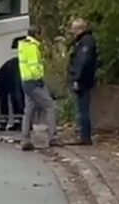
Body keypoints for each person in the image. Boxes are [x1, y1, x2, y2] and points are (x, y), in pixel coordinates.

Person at [17, 23, 59, 151]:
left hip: (25, 81)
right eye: (40, 34)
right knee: (50, 106)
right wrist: (39, 79)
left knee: (29, 110)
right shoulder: (32, 47)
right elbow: (34, 66)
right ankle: (53, 137)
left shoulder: (23, 45)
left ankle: (25, 139)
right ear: (36, 34)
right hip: (35, 82)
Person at [68, 18, 99, 145]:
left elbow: (82, 62)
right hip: (83, 80)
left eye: (74, 29)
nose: (72, 32)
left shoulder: (86, 42)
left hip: (83, 81)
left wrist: (77, 79)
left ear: (80, 29)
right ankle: (83, 135)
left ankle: (85, 137)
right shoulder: (83, 41)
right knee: (81, 109)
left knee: (83, 109)